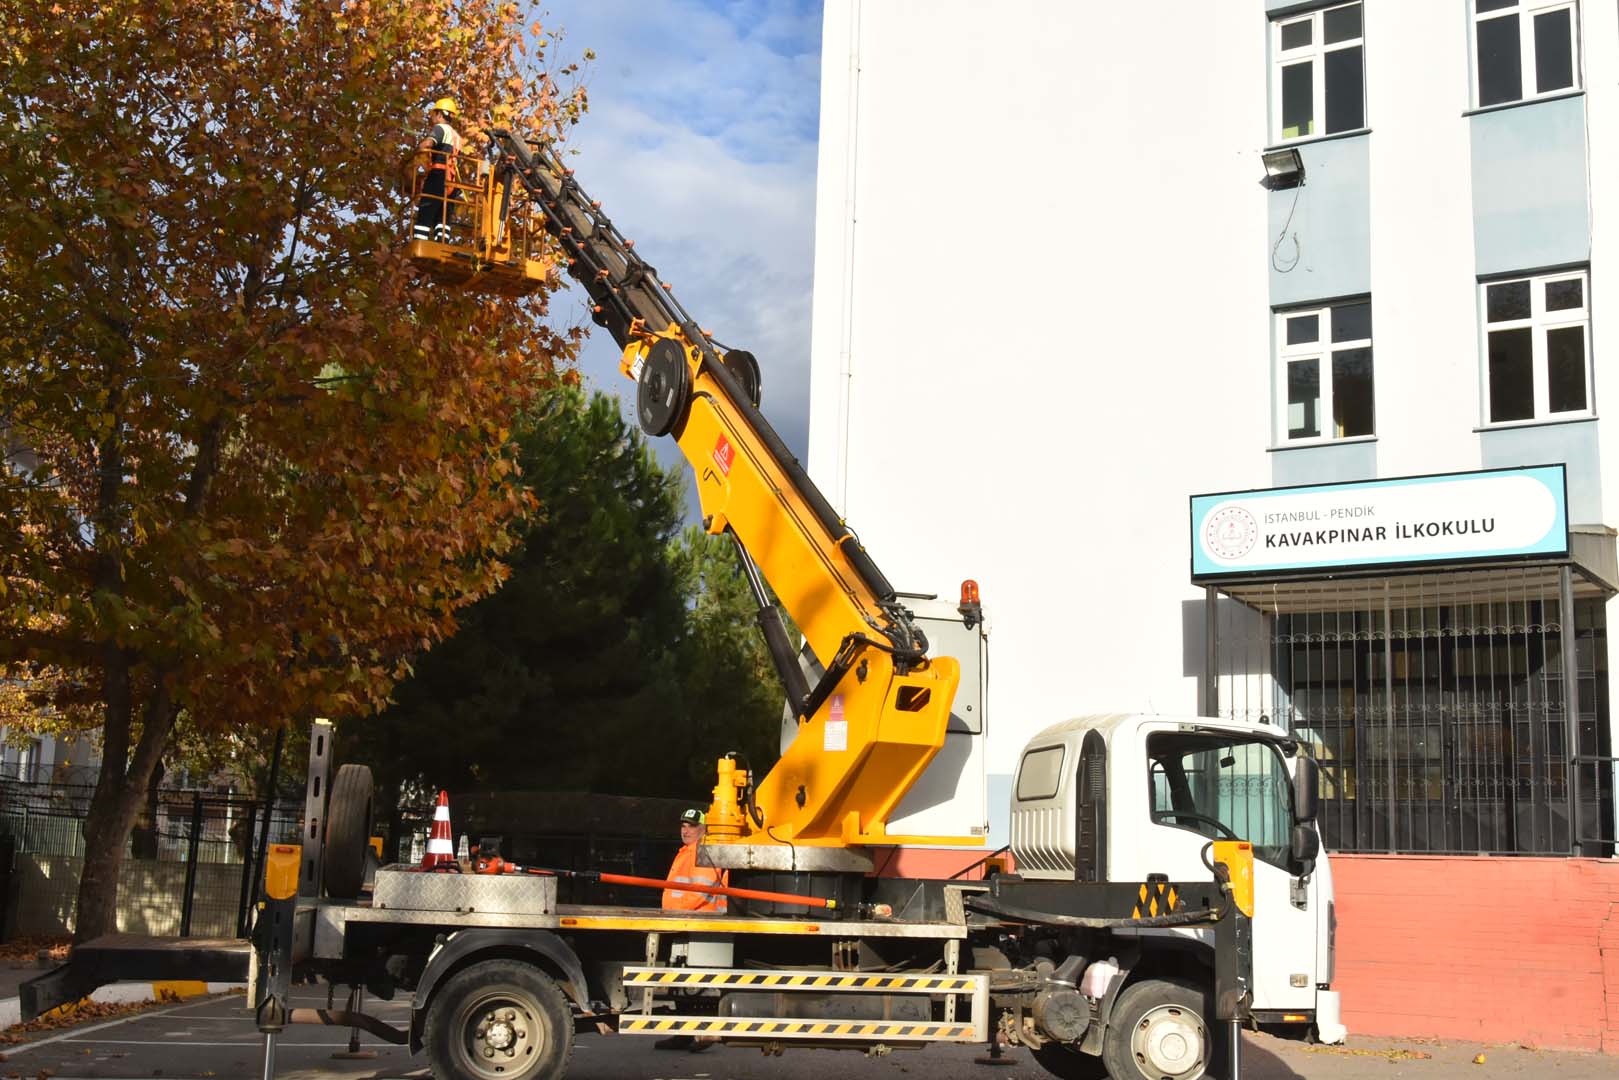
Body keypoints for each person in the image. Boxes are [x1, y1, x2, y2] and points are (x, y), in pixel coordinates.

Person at [655, 808, 728, 1052]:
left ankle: (703, 1033)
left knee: (699, 984)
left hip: (700, 923)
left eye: (692, 825)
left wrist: (675, 913)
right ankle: (686, 1033)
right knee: (683, 981)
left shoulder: (703, 851)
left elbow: (701, 891)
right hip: (685, 923)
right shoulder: (687, 852)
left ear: (704, 829)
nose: (686, 829)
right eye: (684, 825)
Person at [414, 97, 463, 242]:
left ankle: (419, 240)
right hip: (451, 180)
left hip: (438, 175)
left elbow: (427, 144)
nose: (432, 118)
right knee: (443, 213)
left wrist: (420, 146)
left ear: (441, 114)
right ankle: (442, 242)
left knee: (427, 208)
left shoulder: (439, 129)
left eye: (434, 114)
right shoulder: (457, 136)